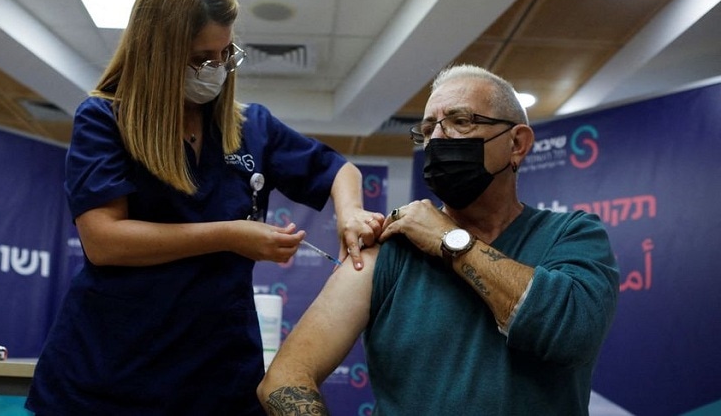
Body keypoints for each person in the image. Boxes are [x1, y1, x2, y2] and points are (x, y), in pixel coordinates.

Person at [25, 0, 384, 416]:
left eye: (225, 54)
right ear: (157, 54)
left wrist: (351, 213)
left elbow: (338, 170)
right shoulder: (105, 120)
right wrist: (230, 234)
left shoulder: (249, 126)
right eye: (201, 58)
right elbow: (104, 240)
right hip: (112, 373)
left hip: (218, 373)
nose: (216, 69)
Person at [257, 64, 619, 416]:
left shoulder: (571, 235)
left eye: (461, 121)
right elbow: (285, 378)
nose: (438, 140)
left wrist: (447, 238)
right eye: (429, 129)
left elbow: (570, 333)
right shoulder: (391, 249)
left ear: (517, 144)